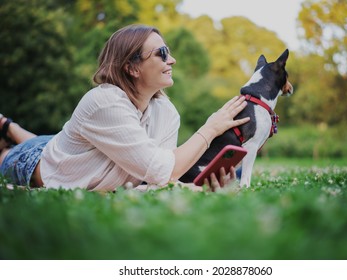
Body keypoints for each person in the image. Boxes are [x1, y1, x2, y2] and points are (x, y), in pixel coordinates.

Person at [0, 24, 249, 192]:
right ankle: (7, 131)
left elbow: (161, 178)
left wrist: (201, 186)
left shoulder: (166, 111)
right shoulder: (105, 103)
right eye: (161, 53)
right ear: (131, 67)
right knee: (11, 153)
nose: (171, 59)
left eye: (168, 52)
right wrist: (211, 128)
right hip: (34, 162)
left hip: (67, 151)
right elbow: (164, 170)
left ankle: (9, 127)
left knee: (53, 143)